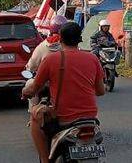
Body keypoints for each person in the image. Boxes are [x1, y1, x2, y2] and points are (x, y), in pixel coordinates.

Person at [22, 22, 105, 163]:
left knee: (35, 116)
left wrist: (25, 92)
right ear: (80, 39)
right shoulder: (93, 58)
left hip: (63, 118)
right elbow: (100, 91)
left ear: (60, 39)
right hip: (90, 119)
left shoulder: (51, 59)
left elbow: (34, 88)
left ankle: (44, 159)